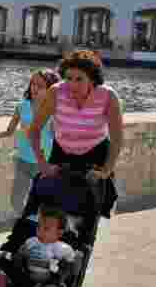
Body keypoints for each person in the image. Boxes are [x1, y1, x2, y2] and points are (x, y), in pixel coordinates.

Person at [27, 50, 123, 217]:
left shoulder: (108, 96)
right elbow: (34, 129)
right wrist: (42, 162)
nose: (72, 84)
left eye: (79, 79)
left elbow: (117, 139)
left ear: (92, 79)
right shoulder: (56, 92)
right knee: (44, 208)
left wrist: (106, 171)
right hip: (62, 153)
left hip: (96, 155)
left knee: (89, 216)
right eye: (68, 78)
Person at [0, 69, 61, 214]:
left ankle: (37, 229)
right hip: (23, 161)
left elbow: (58, 137)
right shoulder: (22, 106)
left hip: (44, 163)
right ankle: (29, 224)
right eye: (33, 84)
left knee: (43, 202)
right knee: (16, 201)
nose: (34, 88)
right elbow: (9, 131)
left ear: (50, 89)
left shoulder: (54, 110)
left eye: (40, 86)